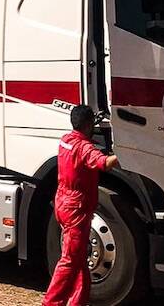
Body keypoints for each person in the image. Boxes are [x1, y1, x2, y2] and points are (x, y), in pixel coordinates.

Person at [42, 105, 119, 306]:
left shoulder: (65, 141)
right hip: (77, 208)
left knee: (79, 259)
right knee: (70, 260)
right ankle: (51, 303)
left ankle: (79, 301)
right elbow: (104, 163)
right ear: (88, 124)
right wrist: (125, 154)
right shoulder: (84, 148)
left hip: (63, 201)